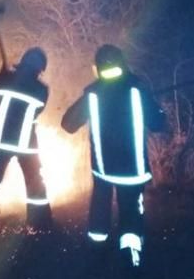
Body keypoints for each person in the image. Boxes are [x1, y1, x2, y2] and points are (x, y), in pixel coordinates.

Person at [62, 44, 166, 266]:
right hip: (133, 171)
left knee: (100, 208)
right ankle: (131, 256)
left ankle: (95, 252)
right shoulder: (138, 89)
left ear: (97, 67)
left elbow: (68, 124)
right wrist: (154, 107)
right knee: (131, 213)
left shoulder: (93, 93)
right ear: (123, 63)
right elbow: (158, 124)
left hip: (104, 170)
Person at [0, 46, 53, 228]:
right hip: (26, 144)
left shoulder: (6, 79)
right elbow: (39, 109)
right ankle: (39, 222)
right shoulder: (41, 89)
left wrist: (1, 75)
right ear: (41, 69)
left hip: (2, 141)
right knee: (35, 182)